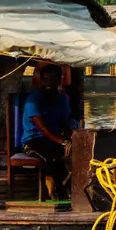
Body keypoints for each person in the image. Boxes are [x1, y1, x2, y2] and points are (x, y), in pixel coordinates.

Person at [16, 64, 75, 199]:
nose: (49, 83)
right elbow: (43, 129)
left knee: (74, 152)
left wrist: (74, 138)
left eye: (53, 79)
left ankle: (70, 189)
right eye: (46, 79)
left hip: (52, 139)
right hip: (33, 141)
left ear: (59, 80)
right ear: (41, 80)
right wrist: (62, 142)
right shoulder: (33, 100)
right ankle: (53, 192)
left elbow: (64, 124)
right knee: (51, 156)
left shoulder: (62, 99)